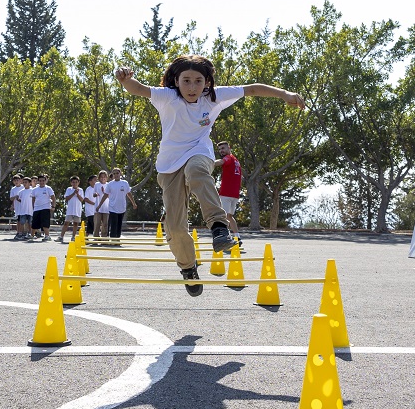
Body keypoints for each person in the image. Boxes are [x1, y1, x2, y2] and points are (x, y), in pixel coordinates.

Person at [115, 54, 305, 296]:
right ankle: (188, 268)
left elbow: (253, 89)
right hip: (169, 165)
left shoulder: (214, 97)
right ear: (176, 80)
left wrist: (285, 94)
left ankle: (218, 227)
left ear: (207, 82)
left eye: (198, 81)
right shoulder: (167, 97)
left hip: (199, 153)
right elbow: (138, 89)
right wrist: (124, 79)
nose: (192, 87)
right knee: (174, 227)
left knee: (196, 170)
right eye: (186, 81)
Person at [215, 141, 243, 246]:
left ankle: (226, 238)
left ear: (229, 148)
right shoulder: (236, 160)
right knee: (229, 216)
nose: (221, 151)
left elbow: (220, 162)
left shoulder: (229, 158)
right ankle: (237, 237)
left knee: (223, 216)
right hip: (234, 194)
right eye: (219, 149)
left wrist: (207, 163)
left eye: (223, 148)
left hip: (226, 194)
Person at [97, 168, 137, 239]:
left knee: (119, 224)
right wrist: (99, 205)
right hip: (112, 207)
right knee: (114, 224)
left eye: (117, 173)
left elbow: (129, 193)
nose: (116, 175)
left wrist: (134, 203)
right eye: (114, 174)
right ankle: (113, 239)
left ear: (120, 174)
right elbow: (105, 195)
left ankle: (117, 239)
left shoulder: (125, 183)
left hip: (122, 207)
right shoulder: (110, 184)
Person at [57, 176, 84, 242]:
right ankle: (61, 236)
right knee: (66, 223)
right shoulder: (69, 189)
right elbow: (67, 198)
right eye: (73, 182)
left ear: (78, 183)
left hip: (77, 209)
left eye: (76, 182)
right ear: (71, 183)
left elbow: (81, 199)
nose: (75, 184)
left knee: (75, 223)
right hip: (70, 209)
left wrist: (77, 194)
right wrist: (73, 193)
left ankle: (73, 236)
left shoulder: (80, 190)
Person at [29, 174, 55, 241]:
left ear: (45, 181)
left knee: (45, 222)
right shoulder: (34, 189)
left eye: (43, 180)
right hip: (37, 208)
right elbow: (33, 199)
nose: (42, 182)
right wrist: (33, 207)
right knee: (34, 222)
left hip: (45, 207)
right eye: (40, 181)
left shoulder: (48, 188)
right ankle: (31, 236)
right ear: (38, 181)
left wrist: (53, 206)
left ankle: (47, 236)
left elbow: (53, 198)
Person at [93, 170, 110, 237]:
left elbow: (110, 196)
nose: (103, 178)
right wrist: (96, 194)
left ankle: (104, 237)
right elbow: (93, 194)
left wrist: (104, 192)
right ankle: (96, 237)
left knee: (105, 224)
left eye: (104, 177)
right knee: (97, 223)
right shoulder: (97, 184)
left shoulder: (108, 185)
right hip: (98, 207)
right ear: (99, 178)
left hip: (106, 207)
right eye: (101, 177)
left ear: (107, 178)